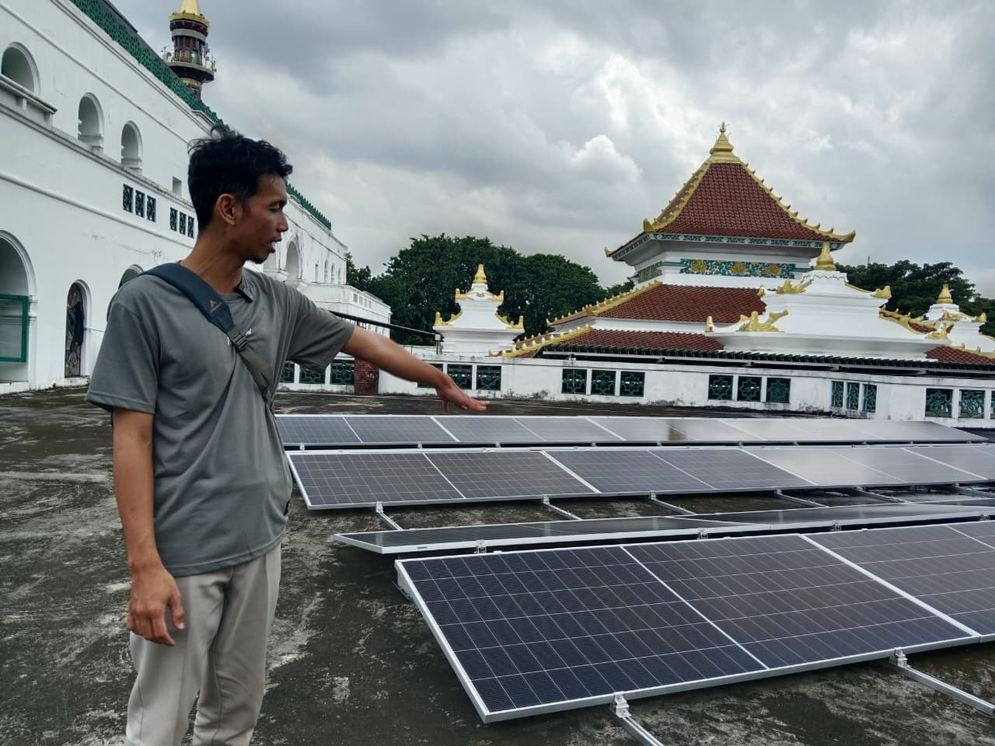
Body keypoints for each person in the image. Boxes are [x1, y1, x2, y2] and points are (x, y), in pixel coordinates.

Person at [86, 125, 486, 745]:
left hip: (260, 537)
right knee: (160, 723)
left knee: (235, 716)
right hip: (183, 553)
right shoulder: (143, 305)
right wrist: (144, 567)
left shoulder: (275, 300)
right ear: (228, 208)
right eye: (273, 209)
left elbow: (366, 342)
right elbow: (130, 441)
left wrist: (439, 379)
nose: (282, 226)